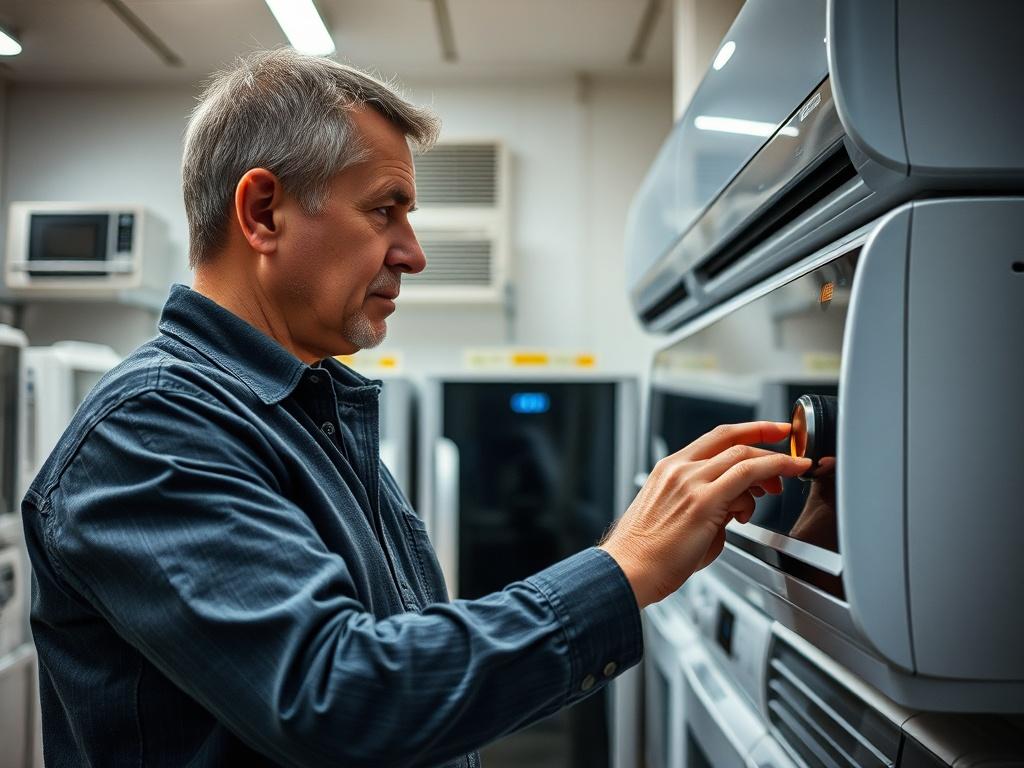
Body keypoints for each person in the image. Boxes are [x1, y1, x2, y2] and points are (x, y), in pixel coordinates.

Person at [21, 48, 811, 768]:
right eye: (384, 210)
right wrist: (625, 566)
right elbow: (343, 698)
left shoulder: (309, 411)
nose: (414, 252)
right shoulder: (154, 430)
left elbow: (398, 663)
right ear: (262, 212)